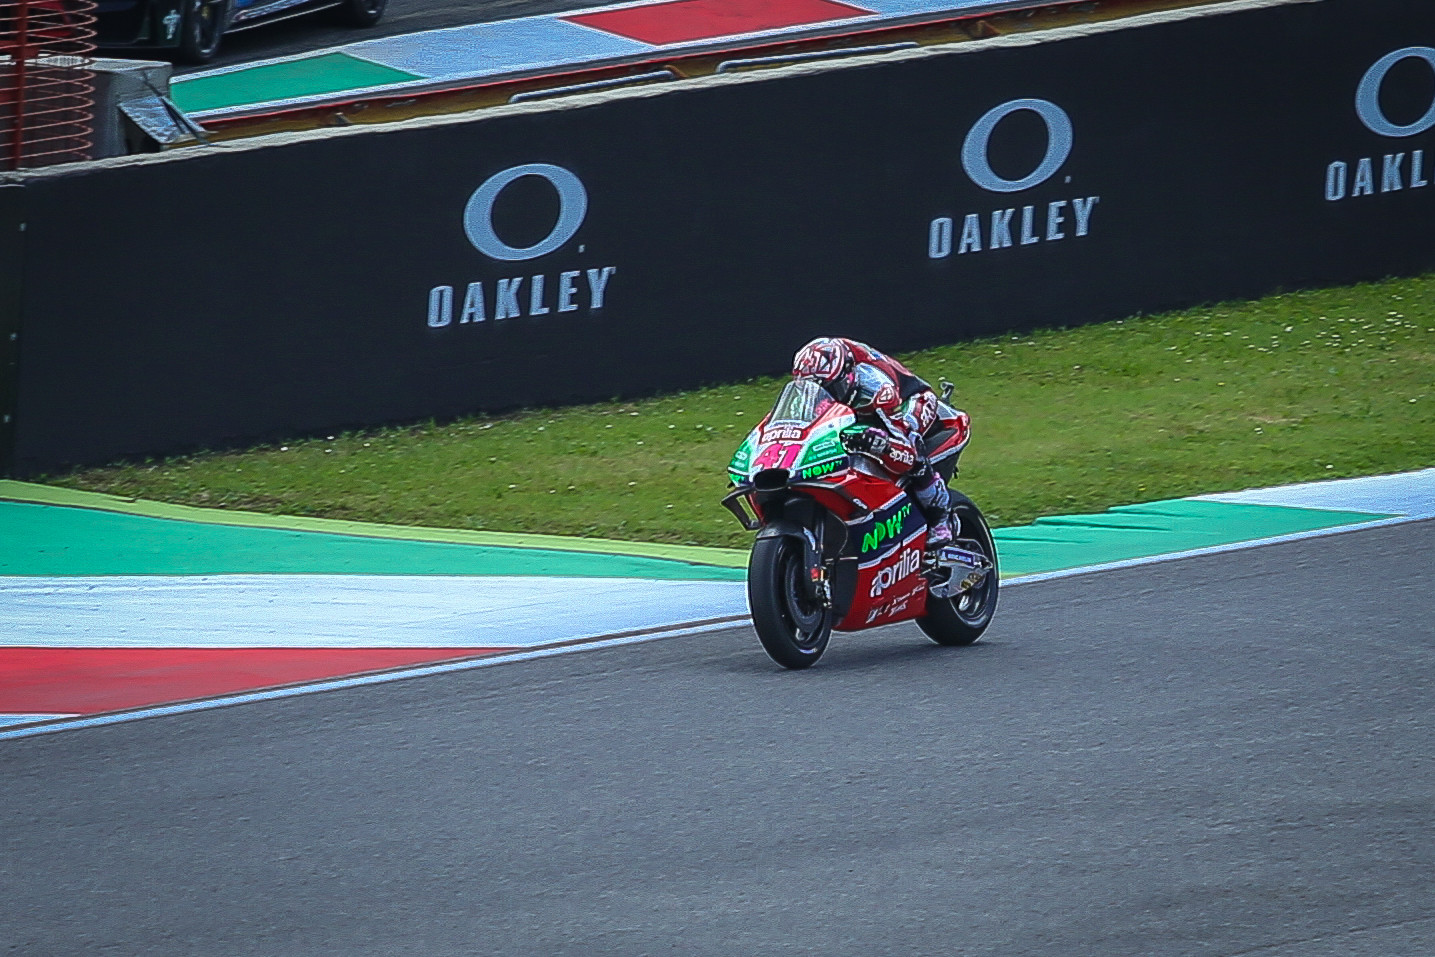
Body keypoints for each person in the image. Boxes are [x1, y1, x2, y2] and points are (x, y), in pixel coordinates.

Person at [791, 336, 970, 549]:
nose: (825, 398)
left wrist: (881, 444)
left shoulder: (874, 388)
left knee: (911, 443)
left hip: (910, 400)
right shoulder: (816, 380)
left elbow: (905, 453)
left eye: (832, 390)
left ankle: (940, 518)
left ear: (848, 376)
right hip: (863, 403)